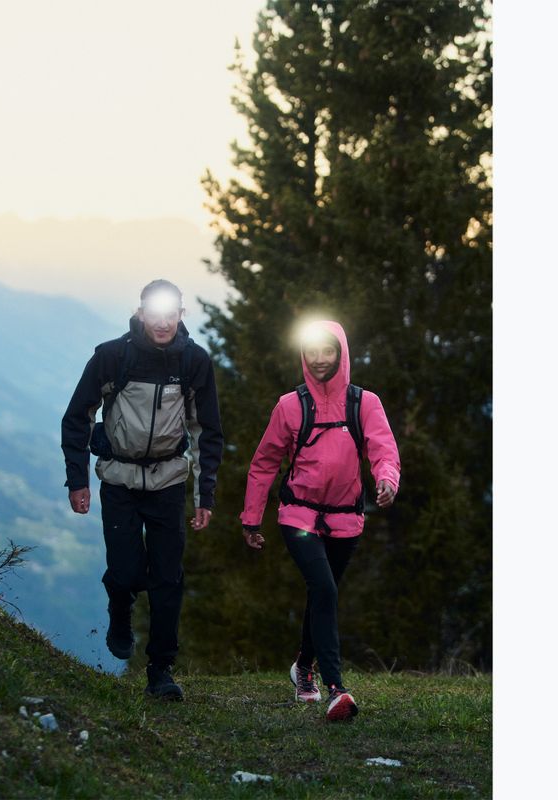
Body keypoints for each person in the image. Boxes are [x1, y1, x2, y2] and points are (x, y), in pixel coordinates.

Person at [61, 279, 224, 700]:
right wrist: (77, 479)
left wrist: (205, 494)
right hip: (119, 480)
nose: (164, 322)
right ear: (140, 313)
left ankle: (160, 671)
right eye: (156, 313)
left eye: (172, 314)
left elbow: (207, 430)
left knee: (168, 578)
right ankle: (120, 605)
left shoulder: (193, 362)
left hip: (169, 481)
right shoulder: (113, 357)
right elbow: (77, 417)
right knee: (128, 571)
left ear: (182, 315)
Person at [239, 320, 400, 721]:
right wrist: (251, 519)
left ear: (341, 353)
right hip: (299, 514)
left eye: (328, 351)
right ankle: (336, 689)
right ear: (303, 354)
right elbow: (264, 464)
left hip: (347, 517)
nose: (320, 358)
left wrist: (386, 480)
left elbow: (384, 450)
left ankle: (302, 668)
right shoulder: (289, 406)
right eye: (312, 351)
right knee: (325, 589)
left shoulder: (365, 403)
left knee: (322, 594)